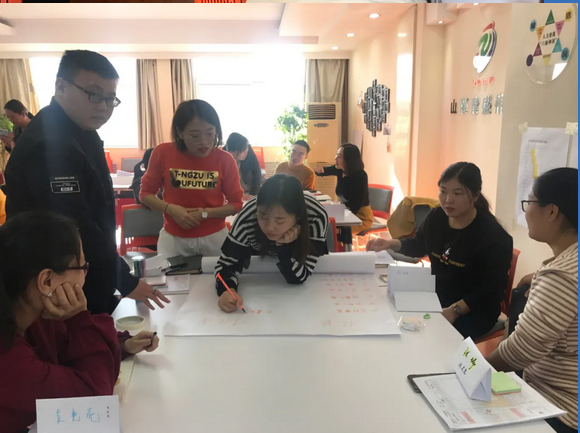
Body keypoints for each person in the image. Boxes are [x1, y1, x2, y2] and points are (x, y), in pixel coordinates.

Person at [4, 50, 169, 315]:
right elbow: (75, 222)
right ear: (61, 86)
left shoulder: (80, 130)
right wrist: (123, 279)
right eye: (94, 94)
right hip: (54, 280)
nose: (103, 106)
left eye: (110, 98)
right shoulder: (49, 142)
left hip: (81, 270)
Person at [0, 211, 160, 433]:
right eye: (83, 268)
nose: (85, 275)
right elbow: (95, 401)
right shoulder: (9, 358)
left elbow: (72, 348)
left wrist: (122, 344)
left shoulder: (34, 316)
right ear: (47, 281)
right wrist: (79, 318)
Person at [367, 162, 513, 339]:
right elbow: (419, 245)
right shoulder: (437, 217)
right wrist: (391, 243)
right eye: (443, 191)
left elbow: (491, 289)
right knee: (391, 316)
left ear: (475, 195)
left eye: (457, 193)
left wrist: (455, 310)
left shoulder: (493, 236)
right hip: (437, 298)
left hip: (474, 311)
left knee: (428, 338)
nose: (448, 199)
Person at [486, 168, 578, 433]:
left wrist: (473, 370)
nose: (526, 213)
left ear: (552, 211)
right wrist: (538, 276)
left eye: (529, 203)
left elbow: (520, 351)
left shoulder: (561, 277)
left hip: (559, 408)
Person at [140, 100, 244, 259]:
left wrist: (205, 214)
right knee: (169, 276)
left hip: (214, 239)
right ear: (180, 133)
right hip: (174, 240)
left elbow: (236, 204)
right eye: (195, 135)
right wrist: (171, 209)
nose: (204, 142)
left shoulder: (225, 160)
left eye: (210, 133)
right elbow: (145, 194)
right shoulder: (163, 153)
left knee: (218, 275)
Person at [215, 174, 329, 313]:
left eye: (280, 221)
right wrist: (228, 290)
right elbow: (225, 266)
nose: (269, 227)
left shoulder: (316, 216)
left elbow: (299, 277)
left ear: (298, 216)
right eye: (262, 216)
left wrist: (284, 247)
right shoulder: (248, 216)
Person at [315, 143, 373, 234]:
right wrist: (318, 170)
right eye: (336, 155)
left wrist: (343, 216)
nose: (335, 158)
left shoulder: (361, 175)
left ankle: (341, 242)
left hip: (361, 216)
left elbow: (357, 203)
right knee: (325, 223)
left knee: (333, 230)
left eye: (339, 156)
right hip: (345, 211)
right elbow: (323, 171)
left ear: (348, 159)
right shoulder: (340, 170)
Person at [224, 132, 262, 199]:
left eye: (246, 151)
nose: (246, 153)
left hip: (247, 183)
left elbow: (256, 171)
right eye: (243, 151)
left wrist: (252, 194)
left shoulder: (249, 151)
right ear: (233, 152)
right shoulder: (223, 154)